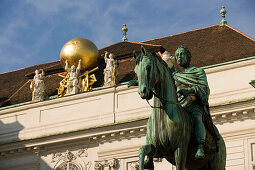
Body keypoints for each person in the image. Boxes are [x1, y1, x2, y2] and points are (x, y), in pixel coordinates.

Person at [173, 46, 219, 159]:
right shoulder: (174, 75)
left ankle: (200, 146)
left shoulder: (198, 71)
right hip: (178, 105)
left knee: (196, 116)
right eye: (177, 55)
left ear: (188, 57)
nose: (179, 57)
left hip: (193, 103)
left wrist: (189, 90)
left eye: (182, 54)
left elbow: (204, 89)